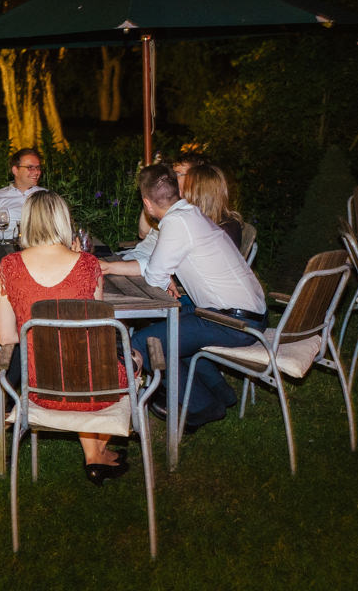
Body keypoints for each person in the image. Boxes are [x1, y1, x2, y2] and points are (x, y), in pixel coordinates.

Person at [102, 164, 266, 430]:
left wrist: (163, 275)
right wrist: (110, 267)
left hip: (233, 322)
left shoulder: (176, 223)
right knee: (170, 331)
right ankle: (220, 394)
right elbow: (157, 267)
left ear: (146, 203)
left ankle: (202, 407)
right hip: (240, 313)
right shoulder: (189, 214)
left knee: (146, 341)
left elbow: (155, 275)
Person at [0, 191, 129, 485]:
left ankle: (96, 455)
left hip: (42, 389)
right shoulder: (88, 265)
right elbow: (100, 328)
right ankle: (97, 452)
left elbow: (6, 335)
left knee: (72, 367)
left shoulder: (9, 266)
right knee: (135, 362)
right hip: (97, 389)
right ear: (64, 221)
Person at [0, 148, 45, 240]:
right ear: (15, 170)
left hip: (40, 249)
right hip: (6, 249)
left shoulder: (47, 196)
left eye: (38, 168)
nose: (37, 172)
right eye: (30, 167)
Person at [182, 164, 243, 250]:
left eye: (187, 187)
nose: (184, 192)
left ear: (197, 193)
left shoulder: (224, 231)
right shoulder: (205, 222)